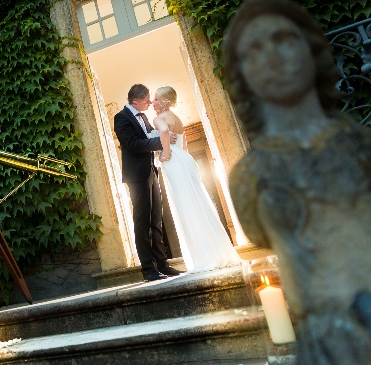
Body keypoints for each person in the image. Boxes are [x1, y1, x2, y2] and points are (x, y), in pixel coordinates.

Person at [224, 0, 371, 363]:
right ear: (241, 73)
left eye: (284, 39)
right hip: (326, 342)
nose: (272, 57)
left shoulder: (362, 146)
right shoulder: (248, 178)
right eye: (254, 51)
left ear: (311, 48)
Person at [152, 86, 242, 272]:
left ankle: (204, 258)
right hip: (185, 159)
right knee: (198, 204)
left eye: (156, 99)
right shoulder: (177, 118)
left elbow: (162, 132)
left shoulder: (159, 118)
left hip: (174, 162)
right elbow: (184, 144)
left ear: (165, 102)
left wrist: (165, 154)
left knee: (186, 207)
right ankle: (218, 253)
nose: (153, 103)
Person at [113, 84, 184, 281]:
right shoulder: (121, 118)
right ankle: (148, 269)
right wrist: (162, 142)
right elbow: (133, 145)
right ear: (135, 102)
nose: (149, 103)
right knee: (142, 222)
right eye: (146, 101)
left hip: (151, 171)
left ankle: (162, 264)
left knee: (156, 219)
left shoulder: (143, 117)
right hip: (136, 176)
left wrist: (166, 135)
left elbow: (153, 134)